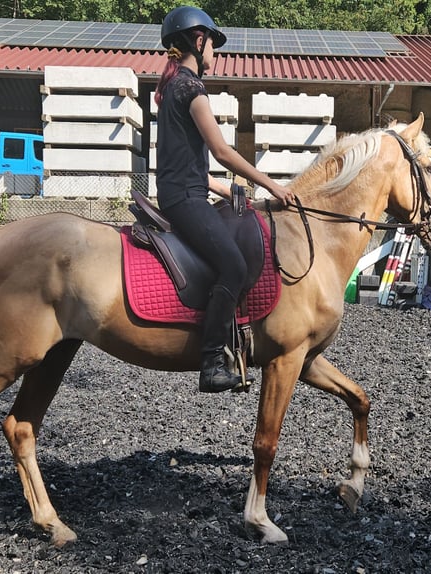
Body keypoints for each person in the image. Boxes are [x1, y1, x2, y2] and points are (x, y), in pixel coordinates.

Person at [155, 6, 295, 393]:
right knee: (232, 265)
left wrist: (223, 188)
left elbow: (187, 164)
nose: (214, 54)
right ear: (198, 42)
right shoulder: (192, 90)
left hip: (181, 192)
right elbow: (221, 152)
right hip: (184, 200)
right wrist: (272, 185)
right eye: (212, 45)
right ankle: (212, 360)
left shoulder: (170, 88)